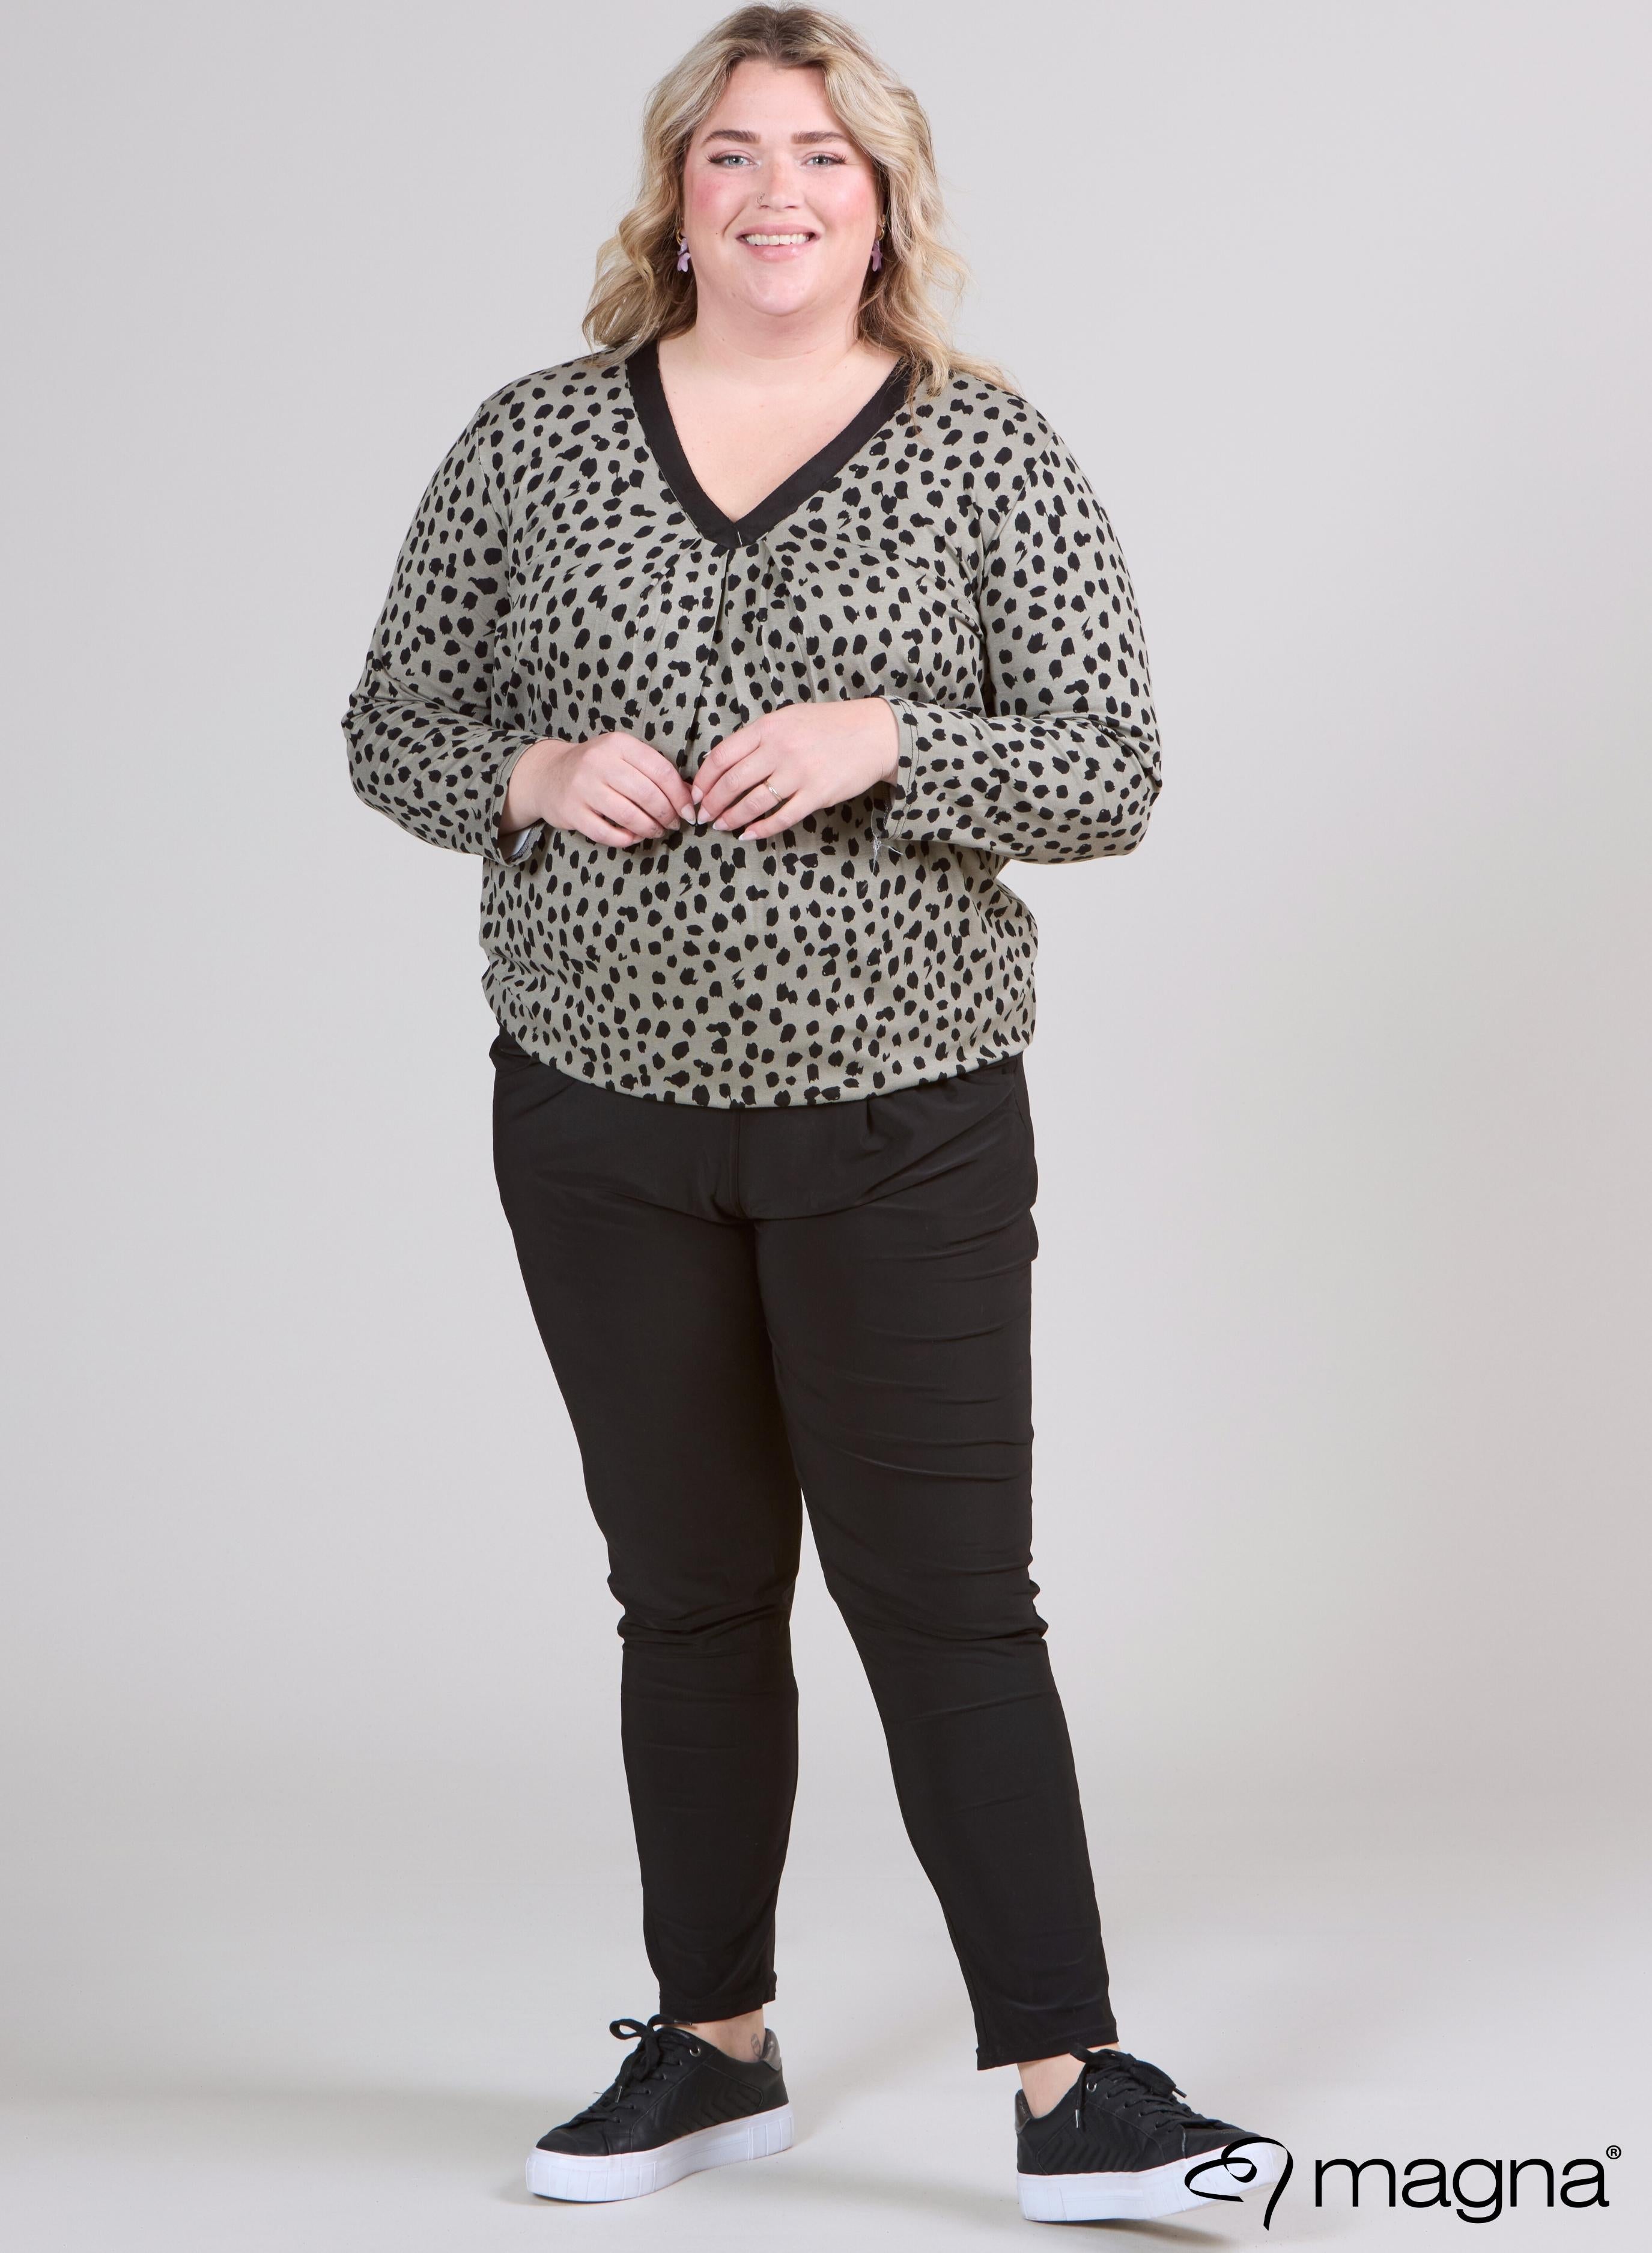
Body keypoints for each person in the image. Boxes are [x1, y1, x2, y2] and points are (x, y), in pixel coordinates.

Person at [342, 4, 1281, 2225]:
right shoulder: (533, 440)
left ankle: (1070, 2084)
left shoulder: (985, 452)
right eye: (737, 155)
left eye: (825, 158)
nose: (780, 194)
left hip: (902, 1127)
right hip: (600, 1124)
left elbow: (1114, 771)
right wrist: (527, 770)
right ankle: (712, 2046)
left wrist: (895, 741)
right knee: (686, 1599)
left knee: (947, 1602)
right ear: (676, 196)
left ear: (887, 204)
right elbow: (391, 722)